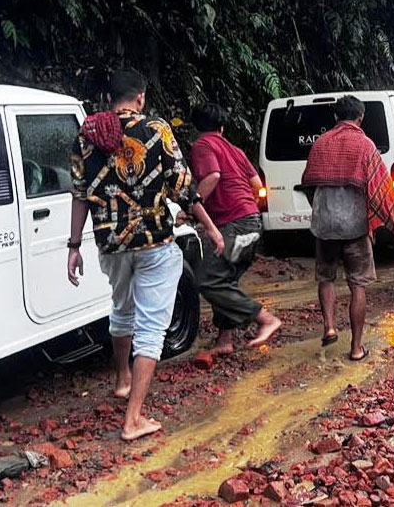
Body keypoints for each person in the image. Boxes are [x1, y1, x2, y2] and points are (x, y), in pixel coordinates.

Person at [68, 69, 225, 441]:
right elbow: (183, 189)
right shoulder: (156, 130)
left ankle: (123, 379)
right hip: (154, 243)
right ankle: (133, 419)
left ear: (111, 98)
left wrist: (73, 246)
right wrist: (212, 227)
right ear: (140, 97)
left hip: (110, 244)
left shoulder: (87, 135)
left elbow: (79, 195)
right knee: (152, 327)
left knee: (122, 308)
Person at [302, 96, 394, 361]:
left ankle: (330, 327)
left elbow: (308, 182)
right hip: (354, 226)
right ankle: (356, 349)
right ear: (360, 118)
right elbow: (380, 190)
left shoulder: (320, 144)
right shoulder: (364, 145)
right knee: (358, 285)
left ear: (336, 117)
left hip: (324, 225)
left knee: (326, 277)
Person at [188, 102, 282, 354]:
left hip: (236, 223)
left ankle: (265, 319)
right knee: (225, 277)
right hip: (252, 221)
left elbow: (213, 176)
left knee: (207, 280)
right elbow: (255, 184)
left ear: (196, 126)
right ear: (221, 126)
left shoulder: (202, 145)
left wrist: (192, 206)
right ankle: (224, 340)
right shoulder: (235, 149)